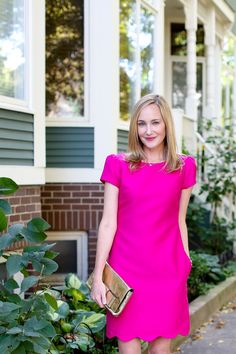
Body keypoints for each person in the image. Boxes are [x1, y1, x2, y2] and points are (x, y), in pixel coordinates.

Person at [90, 94, 197, 354]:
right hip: (126, 272)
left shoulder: (184, 167)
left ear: (166, 125)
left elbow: (179, 220)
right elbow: (108, 223)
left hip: (168, 270)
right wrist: (97, 275)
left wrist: (186, 259)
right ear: (134, 128)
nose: (148, 131)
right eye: (141, 124)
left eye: (155, 123)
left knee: (161, 351)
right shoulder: (117, 165)